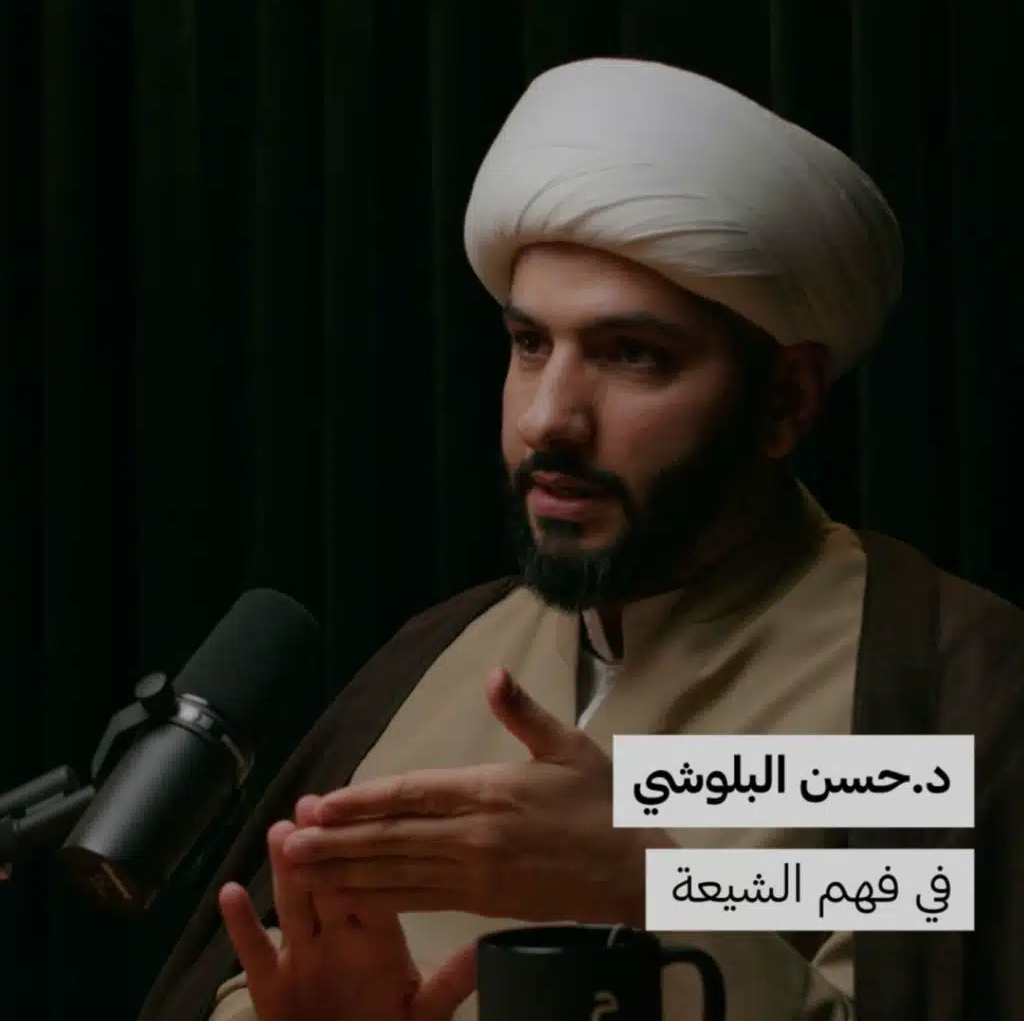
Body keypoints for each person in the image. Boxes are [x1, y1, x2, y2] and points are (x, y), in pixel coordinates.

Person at [139, 58, 1023, 1021]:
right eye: (529, 344)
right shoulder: (437, 657)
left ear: (785, 400)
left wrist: (654, 892)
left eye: (630, 355)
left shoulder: (925, 681)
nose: (548, 419)